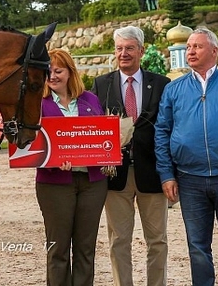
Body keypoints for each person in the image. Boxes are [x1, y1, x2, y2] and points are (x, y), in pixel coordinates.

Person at [155, 27, 218, 286]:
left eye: (197, 46)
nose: (190, 51)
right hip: (189, 180)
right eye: (188, 46)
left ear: (213, 51)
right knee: (197, 247)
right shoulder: (174, 90)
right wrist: (166, 174)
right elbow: (162, 132)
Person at [92, 26, 170, 286]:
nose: (123, 53)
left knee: (157, 241)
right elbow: (91, 129)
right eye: (119, 49)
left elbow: (169, 128)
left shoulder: (161, 84)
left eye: (129, 48)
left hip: (153, 173)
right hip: (115, 176)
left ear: (141, 50)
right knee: (118, 241)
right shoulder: (100, 85)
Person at [36, 49, 108, 286]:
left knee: (86, 248)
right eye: (48, 71)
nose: (52, 76)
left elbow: (101, 136)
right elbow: (30, 146)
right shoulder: (39, 103)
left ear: (70, 72)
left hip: (92, 182)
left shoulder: (91, 100)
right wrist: (54, 159)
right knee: (58, 249)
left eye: (58, 71)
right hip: (55, 185)